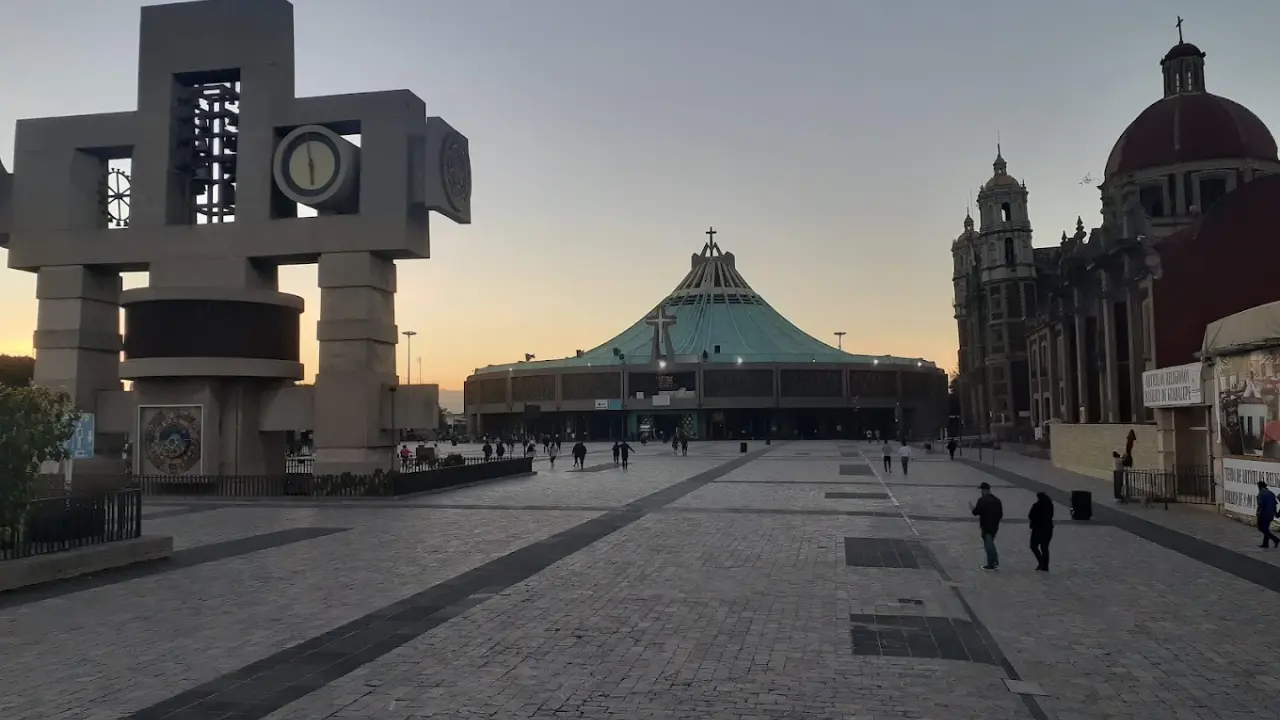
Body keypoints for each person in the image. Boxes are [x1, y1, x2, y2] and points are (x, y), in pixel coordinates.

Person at [970, 482, 1004, 570]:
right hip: (995, 525)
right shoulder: (997, 500)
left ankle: (993, 561)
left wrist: (972, 508)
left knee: (988, 545)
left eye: (981, 490)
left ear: (984, 490)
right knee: (990, 542)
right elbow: (1000, 514)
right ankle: (991, 562)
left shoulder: (982, 500)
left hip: (986, 525)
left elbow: (976, 512)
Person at [1028, 491, 1054, 571]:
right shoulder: (1050, 505)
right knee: (1045, 547)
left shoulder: (1036, 506)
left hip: (1037, 529)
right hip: (1048, 529)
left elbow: (1030, 516)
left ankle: (1041, 562)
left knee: (1033, 546)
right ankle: (1045, 566)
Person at [1258, 481, 1280, 548]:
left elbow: (1260, 505)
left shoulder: (1261, 494)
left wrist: (1258, 514)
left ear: (1260, 486)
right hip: (1270, 514)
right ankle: (1265, 544)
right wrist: (1275, 513)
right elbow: (1274, 504)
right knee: (1265, 529)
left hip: (1264, 514)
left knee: (1261, 528)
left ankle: (1275, 539)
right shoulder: (1271, 493)